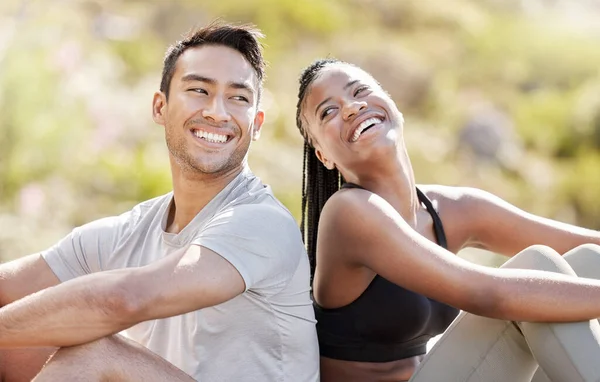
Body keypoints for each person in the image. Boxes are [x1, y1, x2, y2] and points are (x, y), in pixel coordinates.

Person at [0, 22, 319, 382]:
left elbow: (122, 300)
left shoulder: (261, 222)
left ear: (257, 123)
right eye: (199, 90)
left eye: (239, 98)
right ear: (159, 107)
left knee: (95, 353)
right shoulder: (132, 229)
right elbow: (8, 286)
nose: (218, 112)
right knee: (13, 345)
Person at [295, 58, 600, 382]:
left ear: (392, 105)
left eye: (360, 91)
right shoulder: (347, 214)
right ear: (323, 156)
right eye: (328, 111)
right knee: (538, 266)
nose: (351, 108)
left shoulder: (452, 209)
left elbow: (586, 243)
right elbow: (486, 294)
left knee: (589, 261)